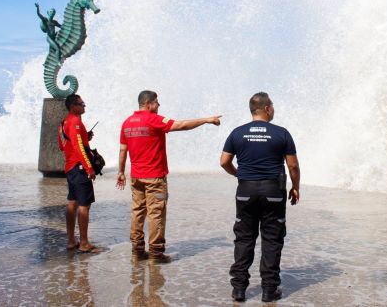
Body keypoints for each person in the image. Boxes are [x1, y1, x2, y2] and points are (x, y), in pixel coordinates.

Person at [116, 90, 222, 263]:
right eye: (157, 102)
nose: (158, 106)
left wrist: (121, 172)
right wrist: (206, 120)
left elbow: (122, 150)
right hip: (155, 178)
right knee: (156, 214)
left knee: (137, 213)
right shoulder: (154, 119)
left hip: (136, 177)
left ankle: (137, 252)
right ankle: (156, 255)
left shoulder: (127, 123)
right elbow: (181, 125)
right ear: (149, 103)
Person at [220, 92, 300, 303]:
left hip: (245, 191)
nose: (273, 109)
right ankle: (268, 290)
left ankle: (239, 289)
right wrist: (296, 187)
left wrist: (239, 174)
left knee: (244, 238)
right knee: (272, 240)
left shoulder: (237, 133)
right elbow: (292, 165)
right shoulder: (281, 133)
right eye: (272, 106)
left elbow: (224, 161)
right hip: (273, 192)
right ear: (266, 109)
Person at [59, 93, 98, 253]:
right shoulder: (75, 122)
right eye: (82, 104)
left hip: (70, 167)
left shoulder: (64, 122)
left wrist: (85, 137)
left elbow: (63, 145)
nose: (84, 106)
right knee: (84, 205)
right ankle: (83, 243)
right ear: (73, 106)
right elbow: (78, 147)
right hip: (79, 167)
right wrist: (89, 168)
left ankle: (70, 241)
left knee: (72, 202)